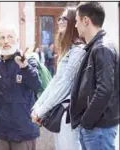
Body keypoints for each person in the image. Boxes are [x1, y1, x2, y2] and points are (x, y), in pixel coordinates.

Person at [31, 7, 86, 150]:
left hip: (69, 114)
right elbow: (55, 81)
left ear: (74, 22)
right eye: (59, 18)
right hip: (60, 112)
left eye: (64, 18)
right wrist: (38, 105)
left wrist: (41, 110)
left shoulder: (78, 51)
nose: (60, 21)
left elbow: (64, 84)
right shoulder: (69, 49)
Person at [70, 2, 119, 150]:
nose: (75, 26)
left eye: (77, 21)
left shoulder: (102, 48)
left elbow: (104, 90)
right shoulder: (96, 47)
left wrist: (86, 121)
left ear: (86, 21)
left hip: (98, 129)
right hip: (96, 128)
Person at [0, 25, 42, 150]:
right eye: (2, 37)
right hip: (2, 130)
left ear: (17, 40)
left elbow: (37, 85)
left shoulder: (28, 61)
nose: (6, 41)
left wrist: (25, 67)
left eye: (10, 37)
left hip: (23, 129)